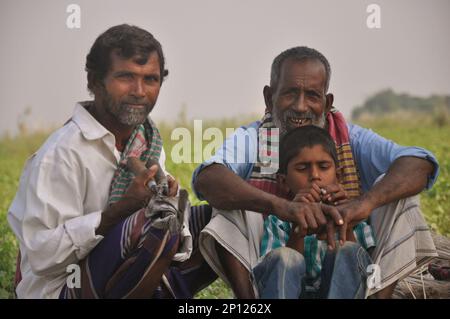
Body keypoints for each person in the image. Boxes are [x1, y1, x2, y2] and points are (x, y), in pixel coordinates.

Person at [192, 46, 439, 298]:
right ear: (269, 99)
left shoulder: (349, 138)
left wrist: (361, 206)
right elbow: (209, 178)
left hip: (357, 275)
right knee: (226, 203)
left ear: (327, 102)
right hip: (269, 272)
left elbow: (419, 163)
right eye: (290, 93)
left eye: (312, 95)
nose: (300, 107)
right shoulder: (254, 138)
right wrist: (285, 208)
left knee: (402, 197)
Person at [8, 24, 216, 299]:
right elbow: (41, 257)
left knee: (218, 220)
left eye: (150, 79)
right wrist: (118, 212)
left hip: (122, 270)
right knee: (152, 222)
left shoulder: (147, 141)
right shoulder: (62, 154)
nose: (139, 91)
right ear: (94, 81)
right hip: (61, 288)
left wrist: (168, 200)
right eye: (126, 77)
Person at [255, 125, 374, 298]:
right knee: (284, 256)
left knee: (348, 250)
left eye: (324, 167)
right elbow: (275, 273)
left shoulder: (355, 215)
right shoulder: (277, 222)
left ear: (338, 176)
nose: (315, 176)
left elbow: (364, 267)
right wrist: (298, 228)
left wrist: (344, 224)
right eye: (302, 168)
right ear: (283, 182)